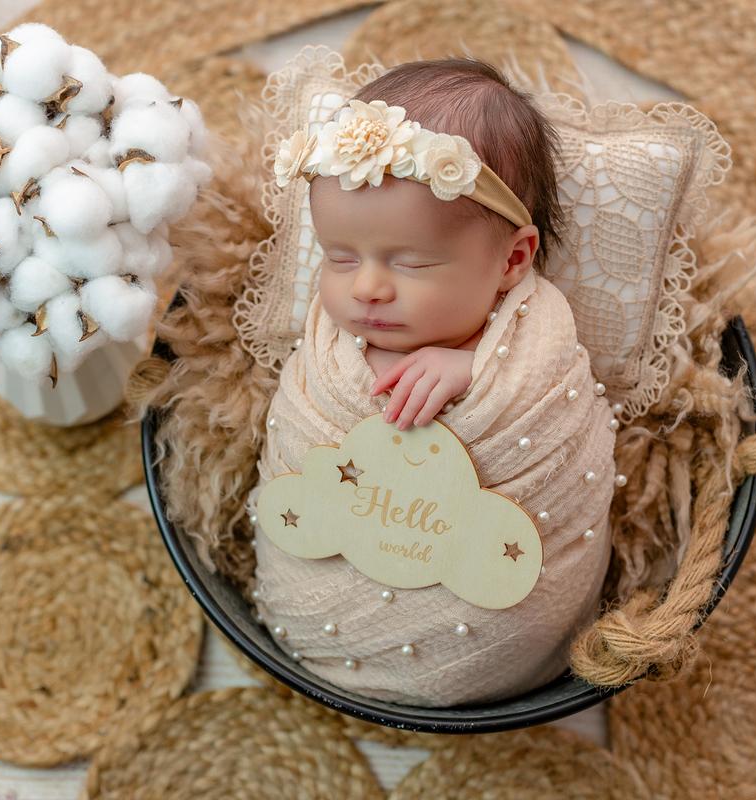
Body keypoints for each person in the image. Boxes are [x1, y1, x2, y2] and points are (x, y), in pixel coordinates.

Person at [254, 58, 617, 706]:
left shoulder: (534, 340)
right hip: (318, 595)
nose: (365, 286)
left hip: (498, 631)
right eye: (340, 256)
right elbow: (305, 429)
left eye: (412, 261)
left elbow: (544, 392)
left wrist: (472, 367)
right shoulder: (333, 344)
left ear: (511, 261)